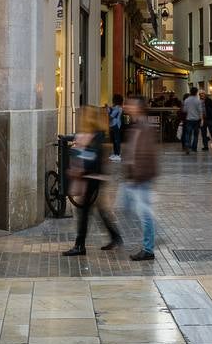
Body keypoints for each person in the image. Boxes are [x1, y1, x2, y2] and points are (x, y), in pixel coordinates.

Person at [63, 107, 122, 257]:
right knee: (100, 210)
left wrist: (80, 165)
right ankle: (115, 237)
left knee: (83, 211)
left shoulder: (95, 136)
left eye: (83, 117)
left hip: (92, 179)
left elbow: (92, 158)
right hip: (93, 178)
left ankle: (80, 245)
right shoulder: (94, 135)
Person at [123, 96, 157, 260]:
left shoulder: (144, 126)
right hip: (134, 177)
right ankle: (149, 242)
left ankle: (148, 249)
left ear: (139, 108)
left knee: (145, 213)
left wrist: (137, 176)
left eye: (131, 104)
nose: (127, 106)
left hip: (141, 178)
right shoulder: (136, 125)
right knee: (129, 208)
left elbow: (146, 154)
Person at [182, 86, 204, 154]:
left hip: (189, 119)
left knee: (188, 133)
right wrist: (202, 119)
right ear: (196, 92)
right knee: (195, 134)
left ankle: (187, 146)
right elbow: (200, 111)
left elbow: (184, 110)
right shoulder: (198, 101)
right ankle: (194, 148)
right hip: (196, 120)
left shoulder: (186, 100)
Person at [107, 93, 124, 161]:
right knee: (114, 140)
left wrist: (108, 111)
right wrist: (108, 108)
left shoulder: (118, 108)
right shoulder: (116, 107)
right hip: (114, 125)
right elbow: (111, 110)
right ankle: (115, 153)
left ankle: (118, 154)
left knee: (117, 140)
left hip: (116, 125)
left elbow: (111, 116)